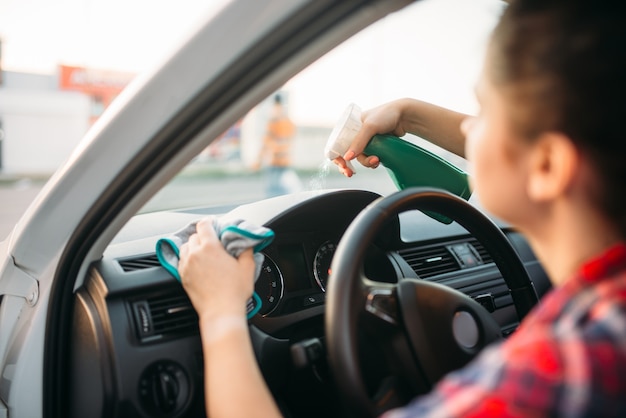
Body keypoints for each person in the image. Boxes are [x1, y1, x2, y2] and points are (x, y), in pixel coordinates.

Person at [178, 0, 626, 416]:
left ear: (548, 165)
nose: (469, 127)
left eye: (485, 112)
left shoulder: (554, 374)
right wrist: (409, 115)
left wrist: (220, 315)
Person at [253, 94, 300, 197]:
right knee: (287, 190)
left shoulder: (273, 122)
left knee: (273, 192)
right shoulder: (288, 122)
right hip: (283, 161)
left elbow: (265, 143)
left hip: (275, 161)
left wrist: (258, 161)